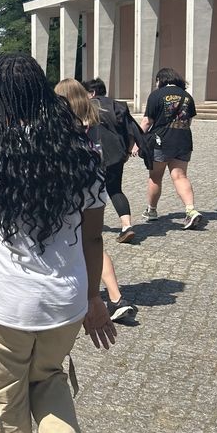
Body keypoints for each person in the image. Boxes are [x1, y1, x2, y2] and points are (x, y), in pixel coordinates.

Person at [0, 53, 116, 433]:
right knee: (49, 377)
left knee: (7, 405)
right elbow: (94, 239)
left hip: (4, 308)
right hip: (66, 303)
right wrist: (94, 298)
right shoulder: (83, 157)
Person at [56, 79, 137, 324]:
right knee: (93, 241)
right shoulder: (94, 117)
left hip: (68, 191)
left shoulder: (63, 124)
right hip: (94, 186)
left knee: (73, 242)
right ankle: (115, 298)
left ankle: (97, 298)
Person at [140, 67, 203, 230]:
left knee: (155, 177)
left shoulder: (156, 95)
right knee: (180, 176)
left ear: (161, 80)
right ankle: (190, 209)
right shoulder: (187, 96)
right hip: (183, 140)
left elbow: (147, 121)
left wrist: (137, 140)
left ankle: (152, 211)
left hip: (161, 140)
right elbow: (188, 122)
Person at [82, 78, 136, 244]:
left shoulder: (86, 107)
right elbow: (131, 130)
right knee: (115, 190)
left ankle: (84, 226)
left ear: (91, 93)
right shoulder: (118, 105)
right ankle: (127, 226)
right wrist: (128, 150)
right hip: (116, 154)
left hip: (92, 155)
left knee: (86, 189)